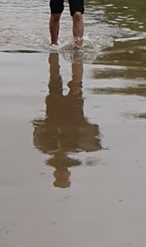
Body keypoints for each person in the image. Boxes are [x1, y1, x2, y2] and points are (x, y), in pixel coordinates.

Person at [32, 51, 101, 188]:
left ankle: (67, 53)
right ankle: (68, 53)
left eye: (61, 176)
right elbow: (37, 127)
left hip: (64, 113)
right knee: (66, 83)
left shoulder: (46, 147)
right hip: (66, 113)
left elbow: (37, 127)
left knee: (64, 82)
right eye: (63, 176)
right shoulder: (69, 147)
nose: (62, 173)